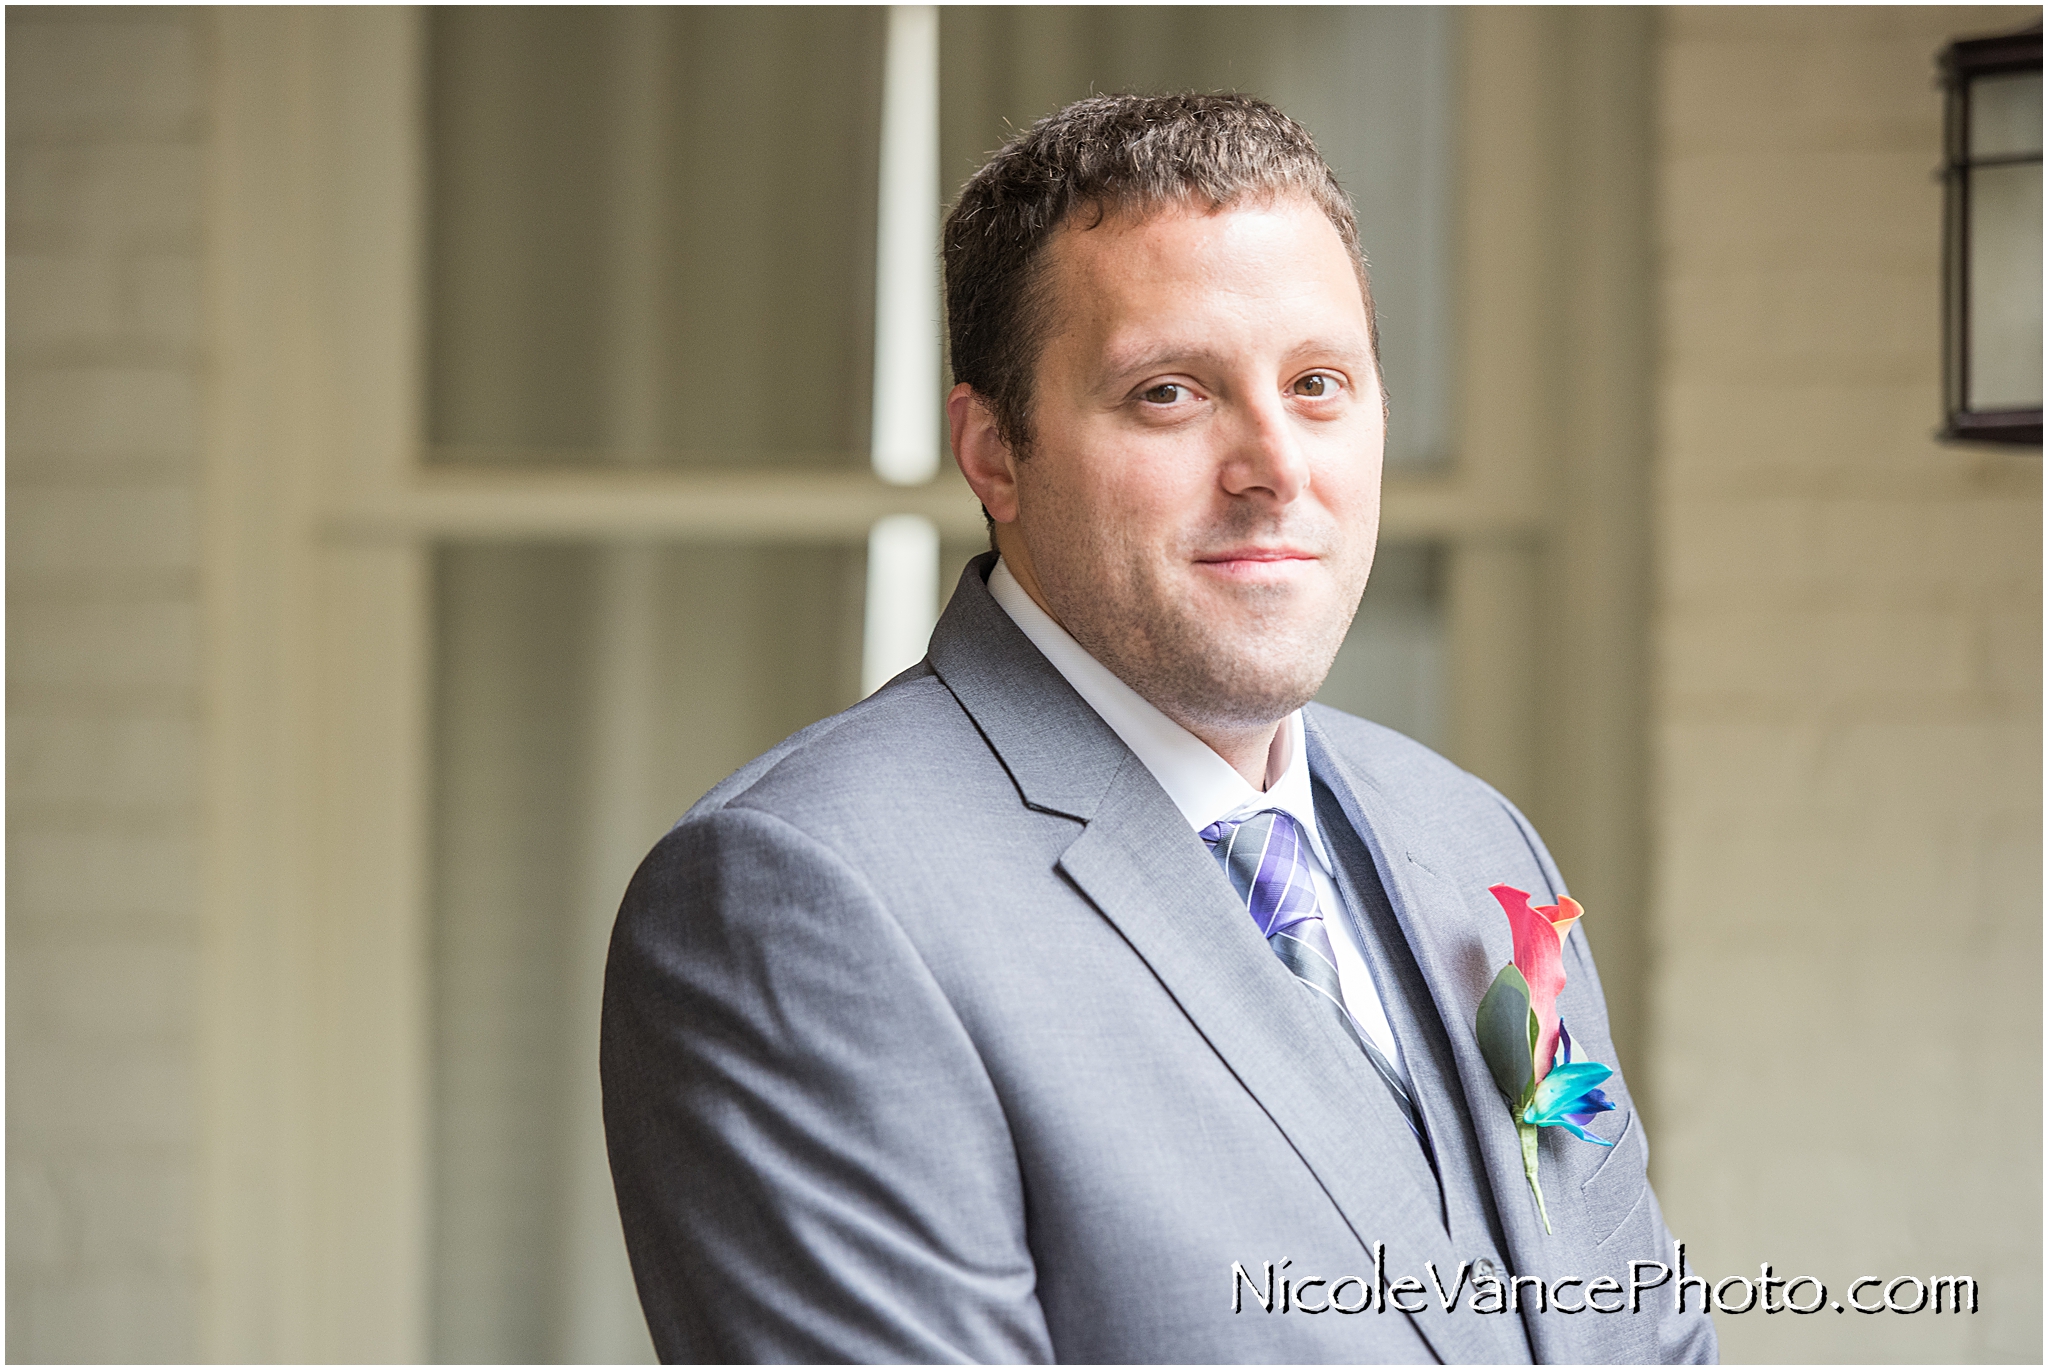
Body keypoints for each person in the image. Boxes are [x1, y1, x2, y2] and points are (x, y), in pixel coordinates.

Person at [602, 92, 1716, 1364]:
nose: (1275, 466)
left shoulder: (1470, 840)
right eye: (1169, 392)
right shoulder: (800, 896)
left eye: (1316, 383)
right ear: (993, 451)